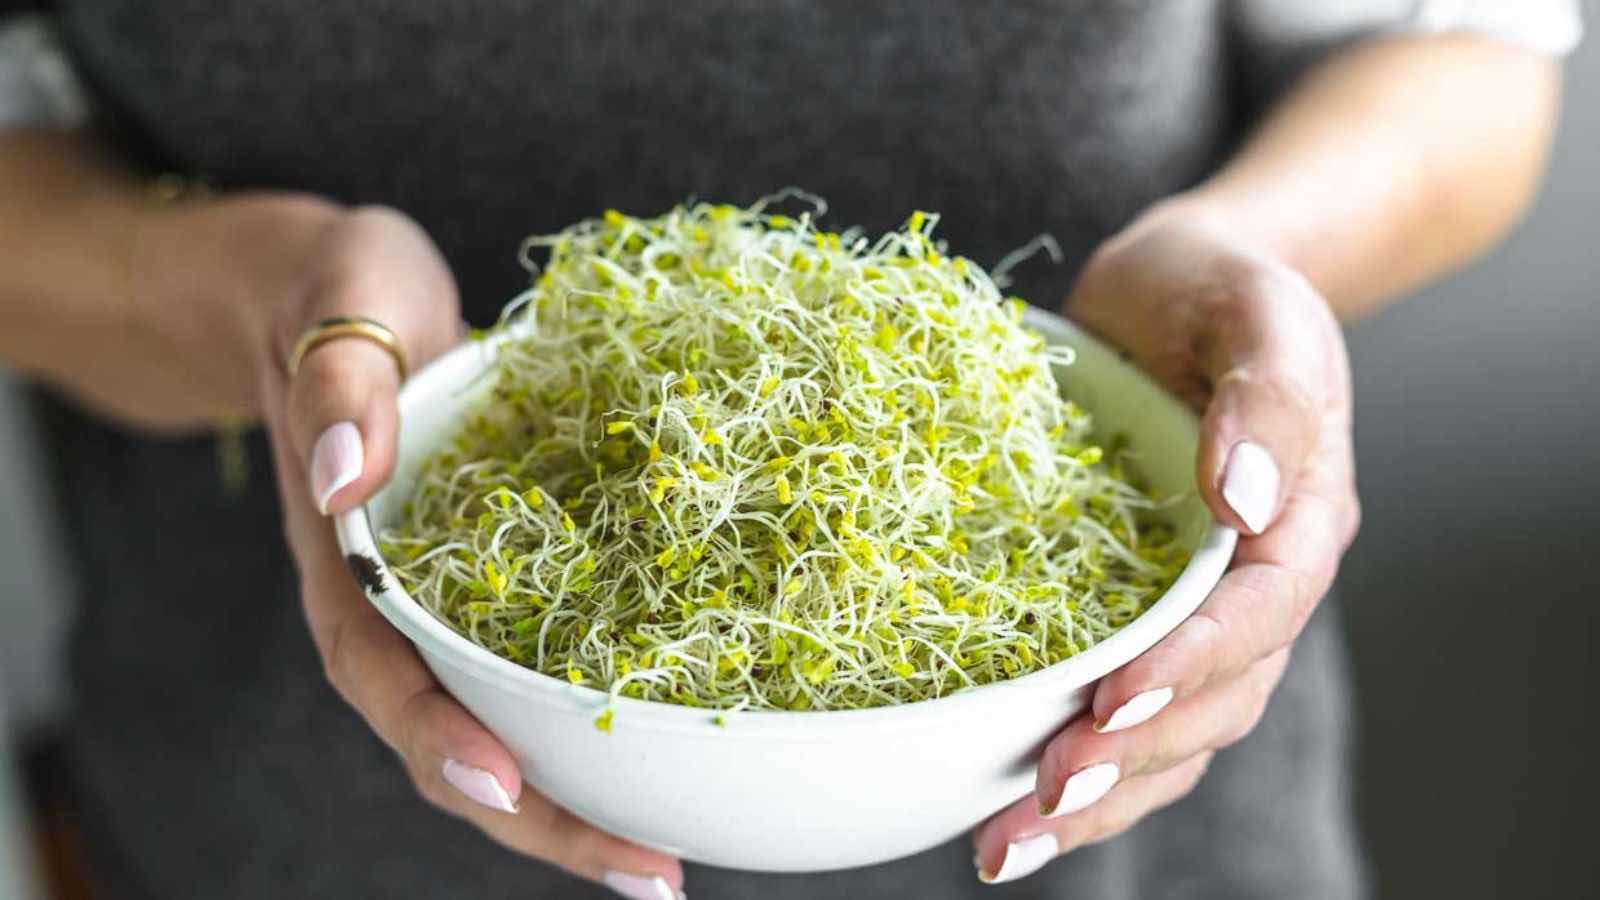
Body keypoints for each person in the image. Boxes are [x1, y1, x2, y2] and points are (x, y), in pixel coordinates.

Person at [0, 2, 1581, 898]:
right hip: (281, 822)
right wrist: (270, 306)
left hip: (1131, 800)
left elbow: (1457, 49)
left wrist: (1247, 256)